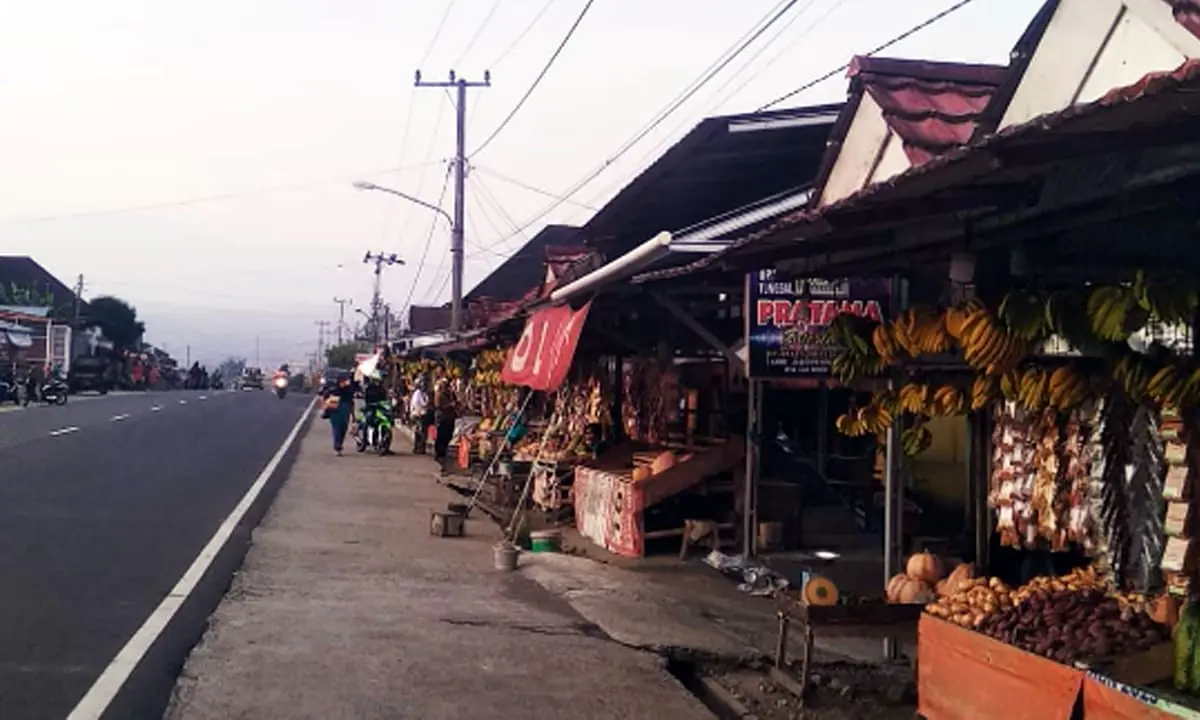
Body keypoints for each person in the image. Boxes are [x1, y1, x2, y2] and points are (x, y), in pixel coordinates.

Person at [322, 373, 355, 456]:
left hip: (345, 410)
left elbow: (351, 402)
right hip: (335, 410)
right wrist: (326, 405)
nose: (345, 383)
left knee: (343, 428)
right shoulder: (333, 389)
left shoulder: (348, 390)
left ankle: (339, 444)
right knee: (337, 428)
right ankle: (337, 447)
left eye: (345, 381)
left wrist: (353, 415)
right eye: (343, 381)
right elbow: (325, 397)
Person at [433, 388, 458, 463]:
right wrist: (450, 404)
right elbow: (439, 406)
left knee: (448, 436)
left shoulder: (450, 395)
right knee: (441, 436)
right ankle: (439, 454)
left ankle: (443, 452)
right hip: (442, 418)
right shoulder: (439, 395)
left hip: (449, 418)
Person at [408, 380, 430, 454]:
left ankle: (421, 447)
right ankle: (417, 447)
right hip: (417, 414)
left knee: (422, 431)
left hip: (423, 414)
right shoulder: (417, 393)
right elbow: (418, 403)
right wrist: (422, 408)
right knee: (420, 431)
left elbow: (426, 402)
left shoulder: (424, 394)